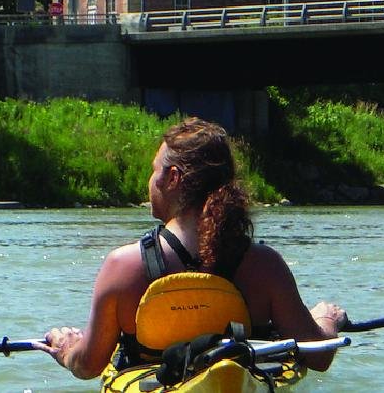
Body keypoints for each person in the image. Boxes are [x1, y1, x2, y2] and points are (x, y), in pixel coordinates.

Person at [34, 117, 346, 379]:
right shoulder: (263, 265)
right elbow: (318, 355)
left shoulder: (123, 266)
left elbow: (88, 365)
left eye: (154, 170)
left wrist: (66, 349)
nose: (150, 179)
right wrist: (326, 319)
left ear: (172, 177)